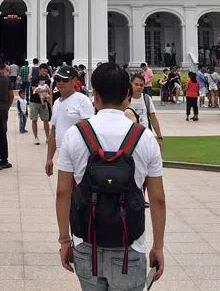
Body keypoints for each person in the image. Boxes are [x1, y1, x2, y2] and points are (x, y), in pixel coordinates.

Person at [56, 62, 166, 290]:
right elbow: (157, 199)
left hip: (86, 240)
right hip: (130, 244)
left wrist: (64, 239)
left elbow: (63, 192)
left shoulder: (76, 134)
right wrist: (158, 246)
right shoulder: (144, 138)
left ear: (94, 95)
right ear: (128, 96)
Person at [45, 66, 95, 178]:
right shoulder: (57, 102)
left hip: (80, 155)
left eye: (65, 80)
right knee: (63, 191)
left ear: (74, 81)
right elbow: (53, 131)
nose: (61, 82)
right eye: (58, 79)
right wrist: (49, 158)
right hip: (62, 153)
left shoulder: (82, 100)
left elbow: (89, 131)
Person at [125, 74, 163, 152]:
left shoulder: (146, 99)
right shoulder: (125, 100)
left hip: (145, 136)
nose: (139, 87)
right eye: (136, 84)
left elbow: (153, 118)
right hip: (129, 137)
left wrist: (159, 137)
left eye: (141, 85)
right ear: (131, 84)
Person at [29, 64, 53, 145]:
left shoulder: (48, 80)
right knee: (34, 120)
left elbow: (49, 90)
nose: (45, 72)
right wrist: (44, 90)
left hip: (44, 102)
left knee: (45, 120)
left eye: (46, 71)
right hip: (34, 101)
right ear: (39, 70)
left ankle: (47, 138)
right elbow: (33, 90)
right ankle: (36, 138)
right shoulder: (35, 78)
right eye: (43, 71)